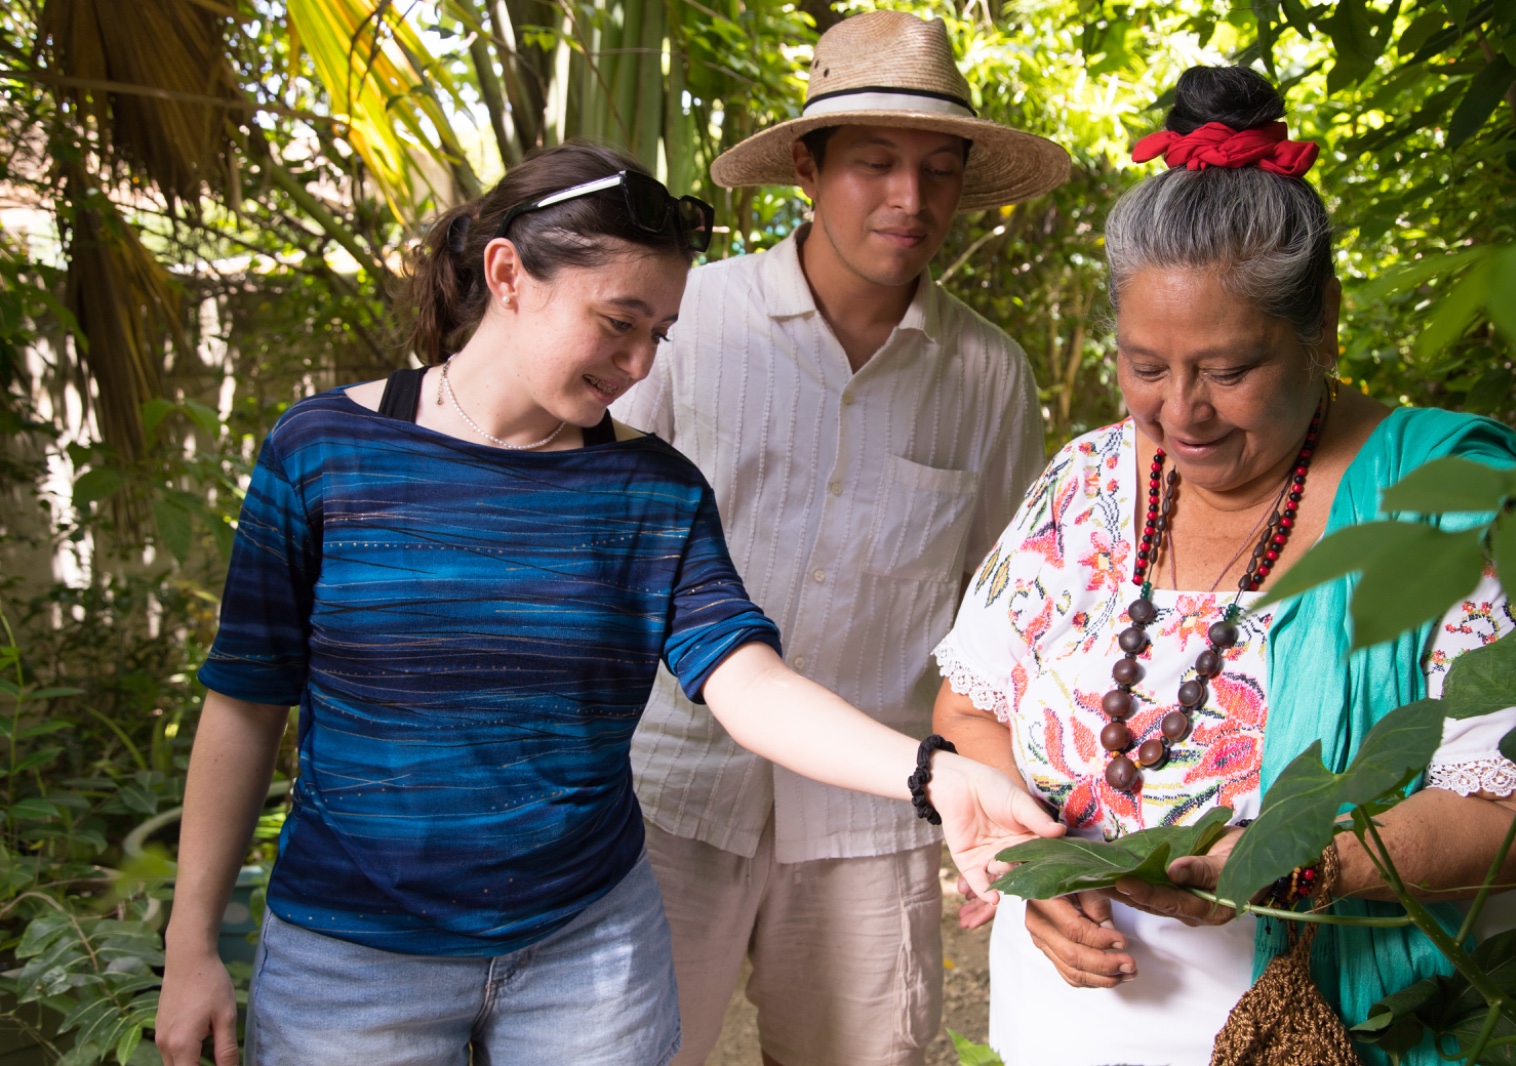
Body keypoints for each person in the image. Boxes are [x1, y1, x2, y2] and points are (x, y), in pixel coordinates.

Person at [150, 142, 1062, 1066]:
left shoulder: (652, 490)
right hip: (351, 960)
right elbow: (245, 703)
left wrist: (938, 775)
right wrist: (191, 948)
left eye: (658, 334)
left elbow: (749, 681)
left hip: (587, 955)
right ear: (508, 273)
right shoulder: (323, 452)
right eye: (618, 322)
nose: (637, 363)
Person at [930, 66, 1516, 1066]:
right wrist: (1038, 866)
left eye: (1228, 369)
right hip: (1069, 1021)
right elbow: (967, 711)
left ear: (1320, 323)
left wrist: (1302, 867)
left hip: (1351, 1024)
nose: (1181, 412)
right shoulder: (1083, 484)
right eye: (1145, 365)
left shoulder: (1451, 494)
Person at [608, 11, 1069, 1066]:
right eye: (873, 164)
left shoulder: (987, 375)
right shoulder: (689, 322)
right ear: (808, 171)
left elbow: (1001, 615)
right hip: (666, 787)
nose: (910, 200)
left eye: (937, 169)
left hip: (875, 810)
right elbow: (597, 547)